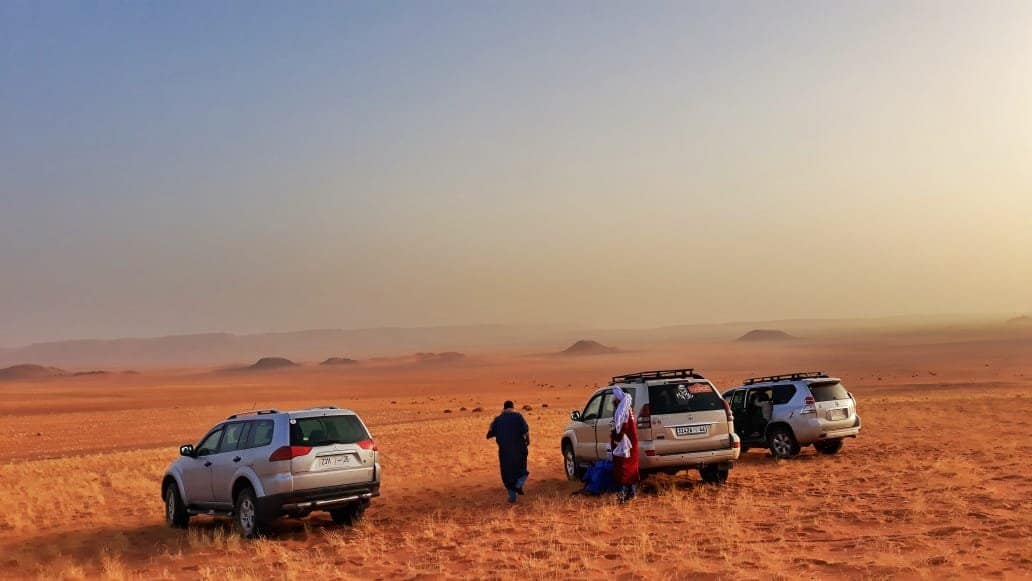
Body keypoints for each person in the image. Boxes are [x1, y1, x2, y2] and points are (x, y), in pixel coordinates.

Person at [486, 400, 530, 503]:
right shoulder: (518, 416)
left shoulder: (498, 420)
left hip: (505, 452)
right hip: (519, 449)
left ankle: (512, 497)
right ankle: (519, 484)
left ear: (504, 408)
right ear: (513, 407)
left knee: (507, 474)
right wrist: (528, 441)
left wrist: (492, 424)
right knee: (521, 469)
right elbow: (526, 431)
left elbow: (489, 434)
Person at [609, 387, 639, 502]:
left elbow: (623, 427)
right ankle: (631, 493)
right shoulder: (626, 408)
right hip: (630, 442)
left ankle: (622, 494)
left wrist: (616, 438)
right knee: (629, 467)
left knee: (623, 467)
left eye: (615, 396)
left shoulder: (623, 410)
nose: (614, 399)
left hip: (626, 443)